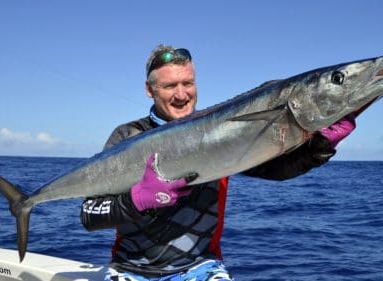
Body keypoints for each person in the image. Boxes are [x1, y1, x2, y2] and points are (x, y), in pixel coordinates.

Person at [80, 44, 356, 281]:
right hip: (130, 270)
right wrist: (137, 200)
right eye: (169, 86)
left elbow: (275, 169)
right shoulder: (126, 136)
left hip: (201, 268)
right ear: (149, 90)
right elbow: (89, 215)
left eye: (187, 83)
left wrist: (319, 147)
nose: (181, 94)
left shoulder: (220, 133)